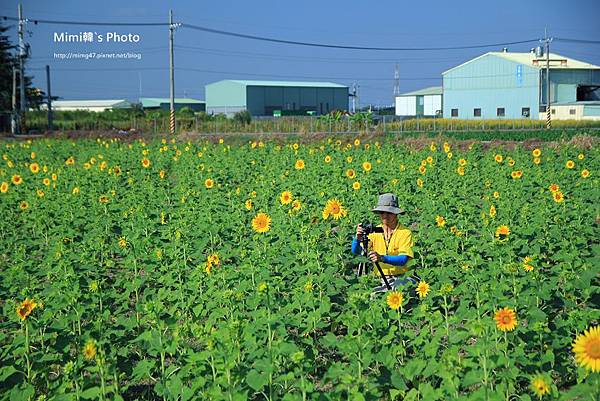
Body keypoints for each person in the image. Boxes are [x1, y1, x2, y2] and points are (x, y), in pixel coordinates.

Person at [351, 193, 416, 293]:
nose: (385, 215)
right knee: (368, 294)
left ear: (396, 213)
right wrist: (357, 239)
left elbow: (403, 259)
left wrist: (382, 258)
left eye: (389, 212)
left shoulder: (405, 233)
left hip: (402, 277)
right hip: (381, 279)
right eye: (382, 212)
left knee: (395, 290)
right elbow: (358, 251)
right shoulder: (374, 231)